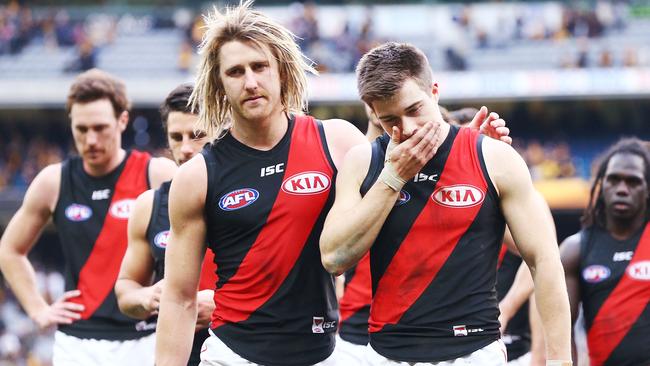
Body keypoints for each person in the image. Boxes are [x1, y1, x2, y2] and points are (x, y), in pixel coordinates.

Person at [320, 42, 572, 365]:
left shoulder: (493, 156)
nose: (407, 129)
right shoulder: (362, 162)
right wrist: (393, 178)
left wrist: (560, 359)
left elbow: (543, 257)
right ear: (372, 111)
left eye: (414, 110)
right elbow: (334, 257)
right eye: (390, 120)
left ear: (435, 92)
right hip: (387, 353)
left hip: (474, 351)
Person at [0, 69, 176, 366]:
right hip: (77, 343)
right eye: (81, 129)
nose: (90, 139)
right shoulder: (54, 181)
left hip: (145, 337)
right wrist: (38, 309)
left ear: (122, 121)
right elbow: (9, 249)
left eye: (100, 127)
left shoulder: (157, 173)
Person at [335, 104, 510, 365]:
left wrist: (482, 178)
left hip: (437, 336)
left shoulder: (451, 174)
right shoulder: (355, 164)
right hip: (357, 333)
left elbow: (531, 249)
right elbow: (330, 253)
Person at [114, 83, 217, 366]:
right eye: (176, 137)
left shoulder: (254, 195)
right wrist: (147, 297)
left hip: (247, 348)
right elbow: (125, 289)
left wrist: (222, 304)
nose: (185, 148)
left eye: (197, 136)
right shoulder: (150, 205)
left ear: (221, 129)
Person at [559, 138, 650, 366]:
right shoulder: (575, 249)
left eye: (633, 182)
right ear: (601, 185)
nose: (622, 189)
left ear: (647, 189)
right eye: (614, 180)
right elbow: (561, 329)